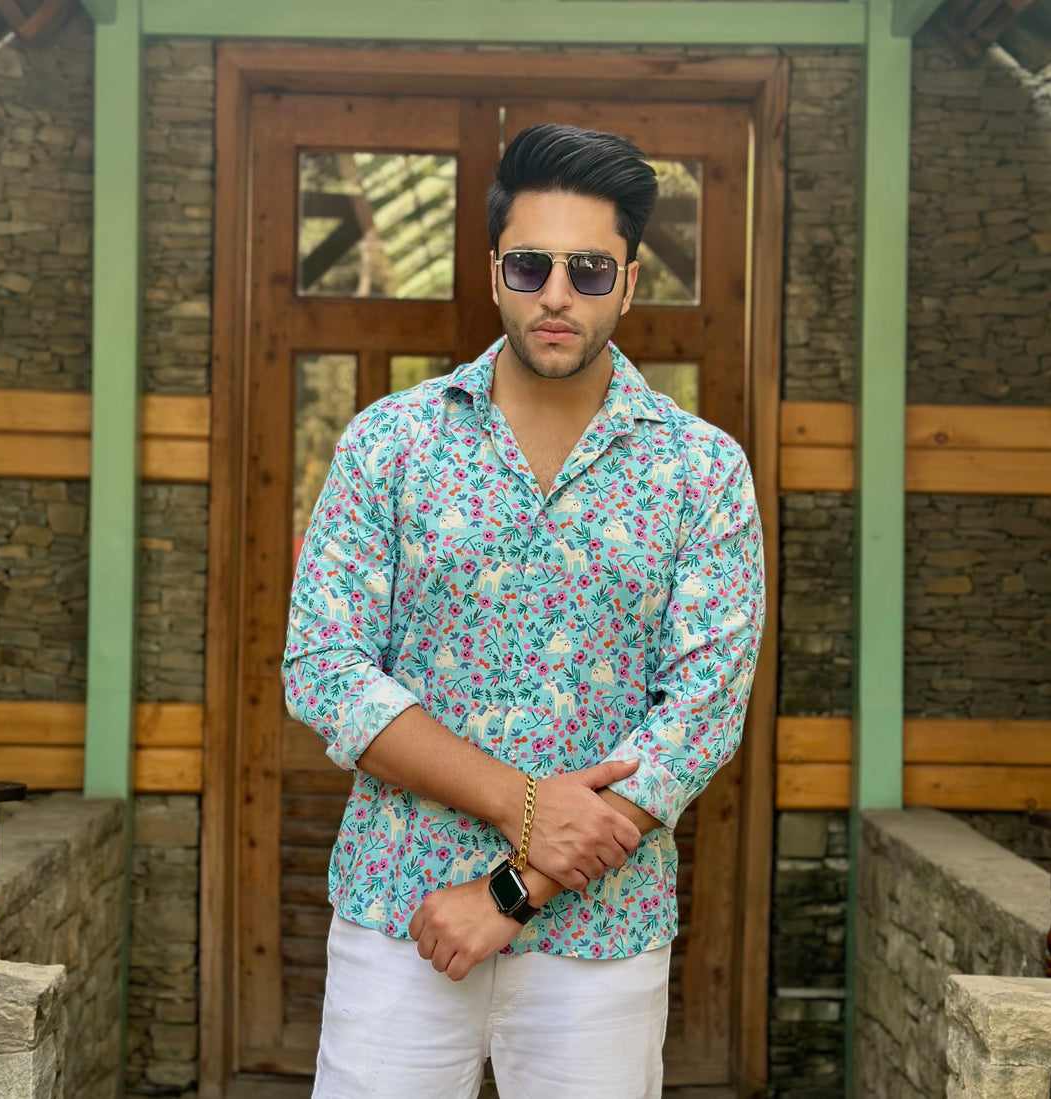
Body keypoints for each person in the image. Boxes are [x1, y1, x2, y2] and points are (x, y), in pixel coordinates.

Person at [283, 123, 764, 1099]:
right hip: (401, 909)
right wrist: (522, 803)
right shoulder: (391, 443)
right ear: (494, 272)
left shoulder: (702, 469)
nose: (556, 293)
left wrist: (513, 887)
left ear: (630, 283)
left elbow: (701, 713)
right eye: (531, 265)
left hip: (603, 934)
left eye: (589, 270)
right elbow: (324, 669)